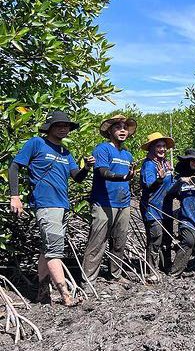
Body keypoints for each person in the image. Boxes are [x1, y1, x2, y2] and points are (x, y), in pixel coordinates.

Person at [9, 111, 94, 306]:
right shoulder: (36, 143)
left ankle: (42, 293)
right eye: (59, 125)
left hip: (62, 206)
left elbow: (77, 178)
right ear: (50, 128)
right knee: (55, 251)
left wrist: (87, 168)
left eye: (66, 126)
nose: (64, 128)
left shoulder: (65, 152)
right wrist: (15, 196)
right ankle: (66, 295)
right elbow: (14, 166)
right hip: (46, 205)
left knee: (47, 250)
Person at [83, 114, 137, 283]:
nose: (122, 131)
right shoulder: (102, 149)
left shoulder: (127, 155)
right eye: (118, 127)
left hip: (124, 203)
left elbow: (129, 177)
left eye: (125, 128)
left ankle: (115, 275)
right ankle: (88, 280)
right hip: (103, 203)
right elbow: (102, 171)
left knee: (120, 241)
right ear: (109, 131)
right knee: (97, 242)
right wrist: (122, 177)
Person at [139, 132, 176, 275]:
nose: (162, 149)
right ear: (151, 148)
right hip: (152, 208)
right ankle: (151, 271)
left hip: (166, 208)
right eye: (158, 146)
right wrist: (160, 179)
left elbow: (171, 186)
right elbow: (149, 186)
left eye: (164, 146)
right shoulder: (148, 165)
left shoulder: (165, 163)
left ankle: (166, 266)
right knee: (155, 238)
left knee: (167, 239)